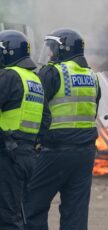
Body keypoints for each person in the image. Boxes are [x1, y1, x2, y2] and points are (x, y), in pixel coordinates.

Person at [24, 28, 101, 230]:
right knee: (75, 212)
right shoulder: (92, 76)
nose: (49, 54)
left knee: (32, 206)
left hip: (55, 151)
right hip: (85, 153)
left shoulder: (53, 72)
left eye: (52, 49)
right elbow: (93, 112)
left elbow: (36, 108)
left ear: (63, 49)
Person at [0, 30, 46, 230]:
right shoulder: (34, 80)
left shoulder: (9, 76)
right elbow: (46, 120)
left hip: (7, 155)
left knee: (7, 217)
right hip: (28, 155)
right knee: (22, 214)